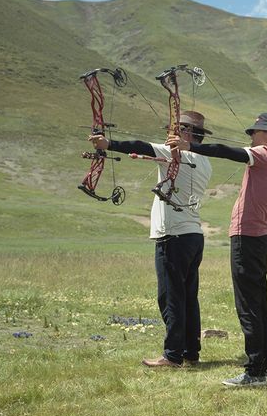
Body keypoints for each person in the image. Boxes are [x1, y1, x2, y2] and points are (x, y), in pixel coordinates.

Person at [169, 113, 267, 387]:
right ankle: (265, 366)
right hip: (257, 237)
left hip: (247, 237)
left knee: (248, 305)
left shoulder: (265, 154)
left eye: (256, 132)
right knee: (258, 303)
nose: (251, 137)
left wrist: (191, 146)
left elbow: (226, 151)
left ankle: (255, 370)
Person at [89, 110, 213, 368]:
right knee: (188, 296)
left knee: (170, 296)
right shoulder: (205, 161)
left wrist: (108, 144)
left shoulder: (175, 153)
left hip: (173, 236)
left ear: (187, 133)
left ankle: (172, 355)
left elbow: (140, 146)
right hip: (193, 236)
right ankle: (190, 352)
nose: (170, 134)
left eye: (176, 130)